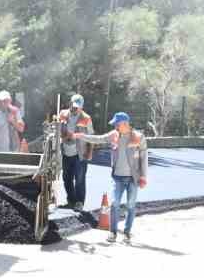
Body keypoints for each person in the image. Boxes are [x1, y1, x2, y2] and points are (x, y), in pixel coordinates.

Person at [77, 111, 149, 244]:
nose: (115, 126)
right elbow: (99, 139)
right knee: (114, 203)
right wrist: (82, 136)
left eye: (117, 123)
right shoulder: (114, 135)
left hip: (133, 178)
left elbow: (144, 159)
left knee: (131, 205)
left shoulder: (139, 137)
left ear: (124, 123)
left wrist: (144, 176)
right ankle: (113, 232)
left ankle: (127, 233)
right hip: (118, 178)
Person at [61, 93, 94, 208]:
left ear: (81, 107)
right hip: (65, 152)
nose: (74, 108)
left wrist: (89, 152)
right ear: (70, 104)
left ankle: (79, 202)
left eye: (77, 106)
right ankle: (71, 200)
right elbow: (58, 130)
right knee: (66, 178)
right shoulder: (63, 114)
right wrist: (64, 137)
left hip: (79, 154)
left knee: (79, 179)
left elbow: (91, 137)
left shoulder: (86, 118)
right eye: (73, 105)